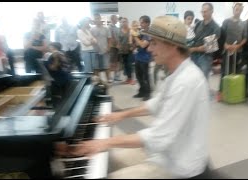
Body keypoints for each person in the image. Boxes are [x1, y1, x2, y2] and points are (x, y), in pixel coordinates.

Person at [56, 15, 211, 179]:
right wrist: (121, 114)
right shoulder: (176, 73)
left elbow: (159, 137)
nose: (149, 48)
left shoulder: (186, 81)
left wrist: (104, 142)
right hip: (164, 154)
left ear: (172, 46)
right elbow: (156, 104)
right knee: (107, 160)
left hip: (179, 166)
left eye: (154, 43)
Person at [217, 2, 247, 101]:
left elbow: (245, 38)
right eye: (236, 9)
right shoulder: (226, 22)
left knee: (236, 72)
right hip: (227, 50)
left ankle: (233, 92)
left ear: (242, 11)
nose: (237, 11)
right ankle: (221, 93)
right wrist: (225, 45)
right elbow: (221, 36)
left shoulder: (243, 23)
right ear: (233, 9)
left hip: (237, 51)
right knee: (224, 72)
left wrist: (238, 46)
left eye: (239, 9)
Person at [189, 3, 221, 80]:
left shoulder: (216, 28)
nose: (203, 13)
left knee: (202, 81)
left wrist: (193, 49)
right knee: (192, 80)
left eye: (205, 11)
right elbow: (192, 39)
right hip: (193, 56)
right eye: (202, 11)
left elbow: (208, 47)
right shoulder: (198, 24)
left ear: (211, 11)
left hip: (205, 58)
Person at [132, 15, 152, 101]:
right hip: (138, 57)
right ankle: (142, 91)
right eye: (140, 22)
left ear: (147, 23)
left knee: (145, 77)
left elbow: (143, 45)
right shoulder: (141, 32)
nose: (140, 24)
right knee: (138, 76)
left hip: (145, 58)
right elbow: (137, 44)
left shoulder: (149, 33)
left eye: (142, 22)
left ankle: (147, 93)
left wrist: (135, 37)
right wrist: (136, 39)